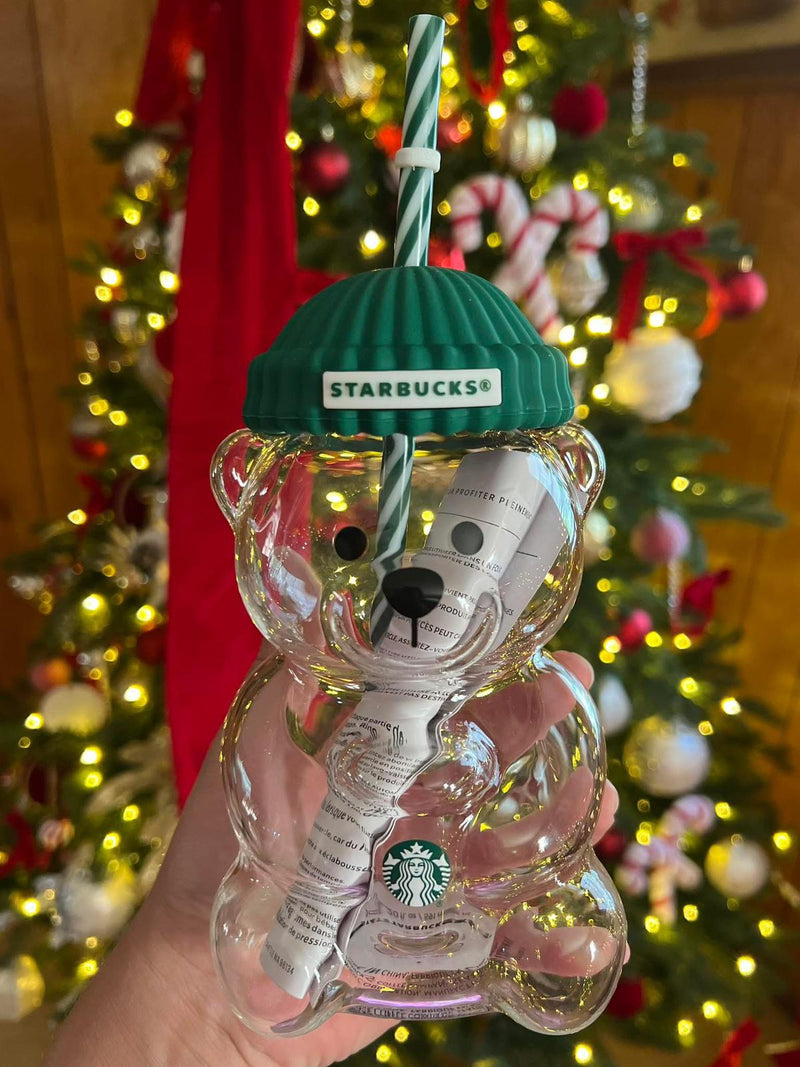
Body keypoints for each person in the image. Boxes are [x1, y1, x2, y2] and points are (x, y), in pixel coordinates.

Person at [47, 652, 617, 1067]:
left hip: (447, 913)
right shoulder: (298, 685)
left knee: (560, 896)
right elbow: (264, 829)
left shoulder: (533, 678)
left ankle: (511, 969)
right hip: (272, 942)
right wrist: (203, 1008)